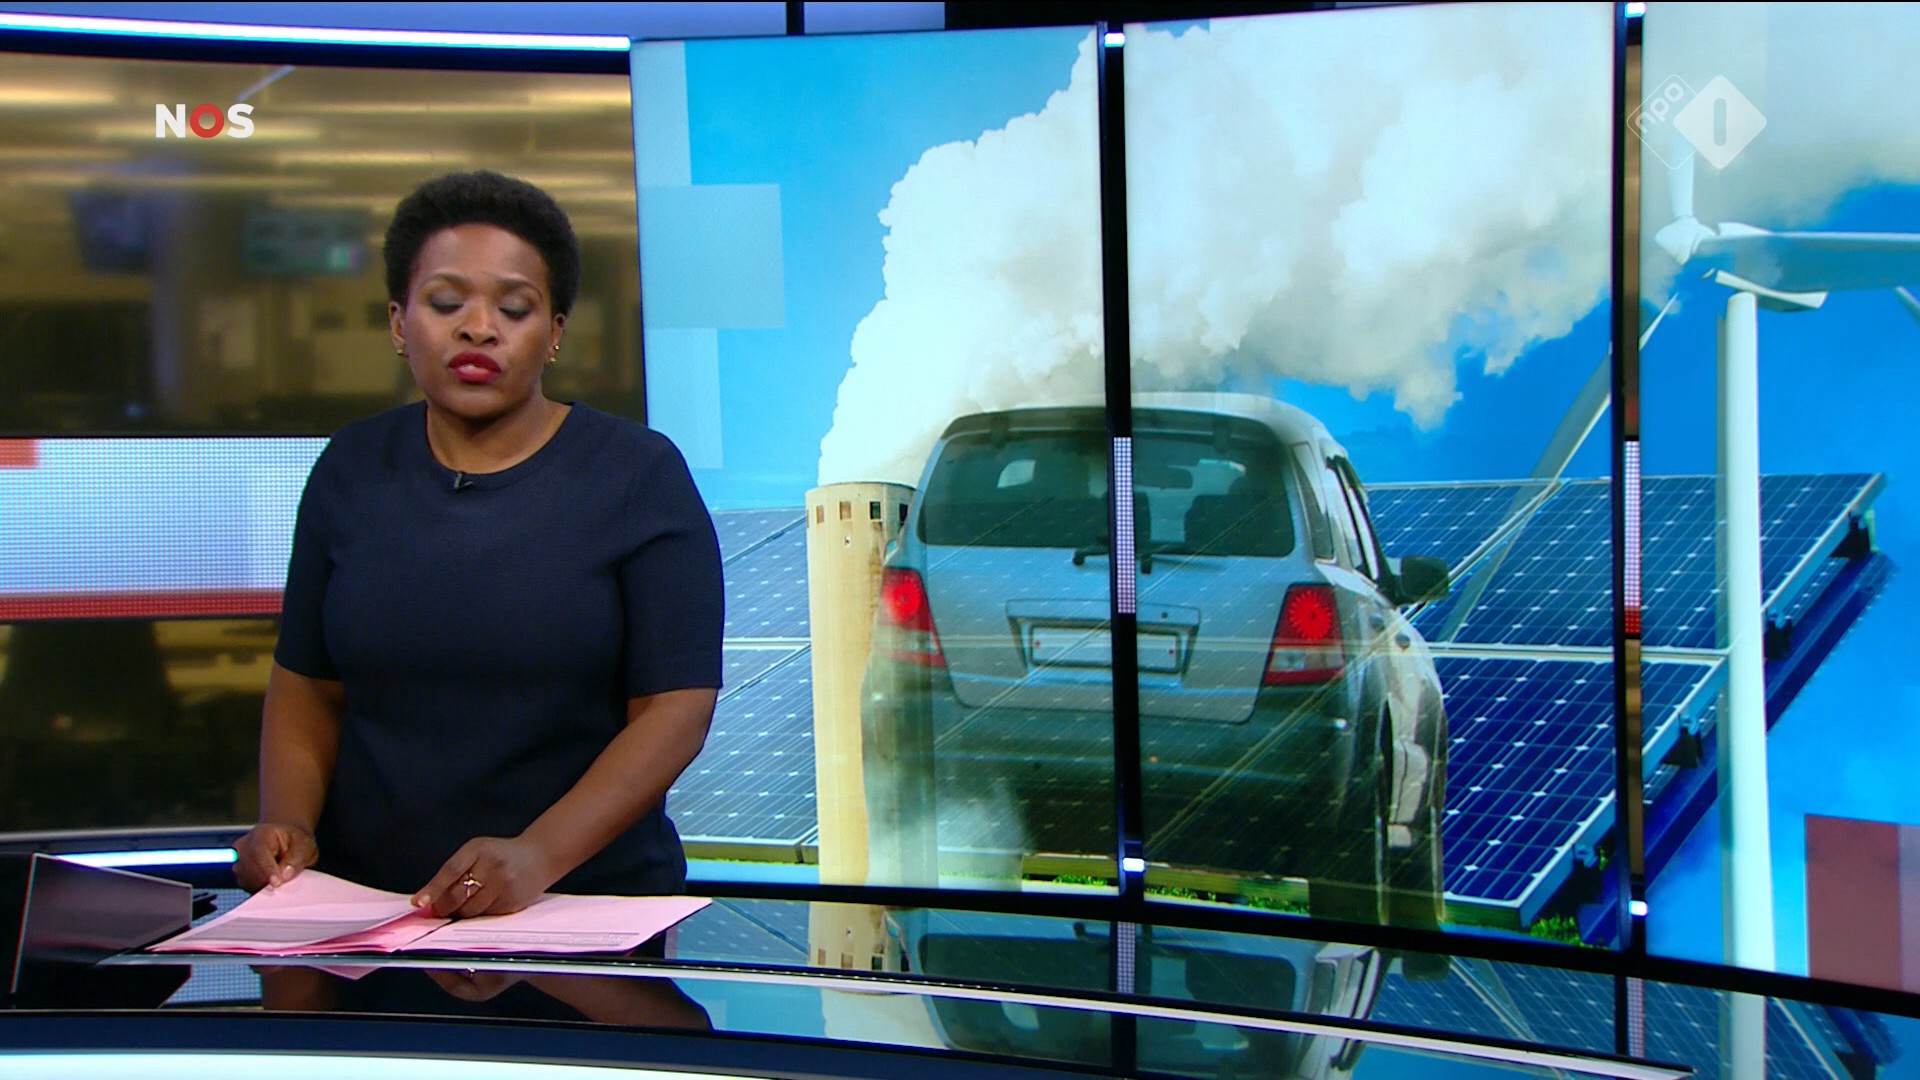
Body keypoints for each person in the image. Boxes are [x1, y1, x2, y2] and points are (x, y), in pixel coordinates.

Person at [231, 171, 724, 918]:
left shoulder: (637, 476)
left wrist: (538, 855)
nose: (478, 328)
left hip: (579, 911)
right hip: (368, 914)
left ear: (554, 331)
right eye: (445, 303)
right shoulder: (350, 469)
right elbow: (307, 686)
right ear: (399, 323)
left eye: (514, 308)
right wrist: (289, 823)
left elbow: (674, 708)